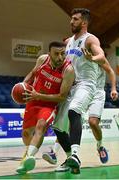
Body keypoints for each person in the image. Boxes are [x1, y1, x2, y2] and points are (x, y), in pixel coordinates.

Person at [42, 8, 115, 174]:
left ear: (84, 23)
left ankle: (76, 154)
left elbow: (101, 56)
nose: (71, 22)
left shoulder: (90, 39)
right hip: (71, 86)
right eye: (71, 19)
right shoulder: (68, 41)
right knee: (58, 127)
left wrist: (92, 58)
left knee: (75, 111)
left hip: (87, 84)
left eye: (75, 19)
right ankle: (70, 159)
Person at [16, 41, 75, 174]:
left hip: (49, 105)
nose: (60, 57)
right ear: (49, 54)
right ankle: (28, 153)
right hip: (32, 101)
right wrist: (23, 85)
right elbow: (32, 74)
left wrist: (39, 96)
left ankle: (28, 158)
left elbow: (62, 97)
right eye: (56, 54)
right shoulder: (42, 60)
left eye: (63, 54)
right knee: (26, 134)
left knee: (41, 126)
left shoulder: (68, 70)